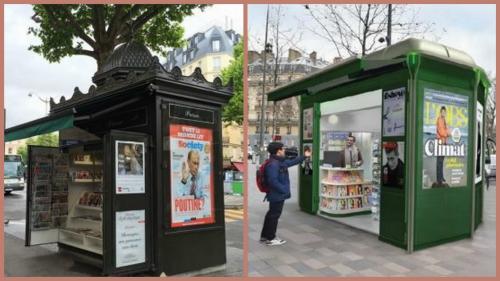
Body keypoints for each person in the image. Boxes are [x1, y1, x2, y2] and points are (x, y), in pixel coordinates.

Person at [260, 142, 311, 246]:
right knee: (274, 216)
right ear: (278, 151)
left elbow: (291, 162)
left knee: (271, 215)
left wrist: (304, 156)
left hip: (276, 194)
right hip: (276, 195)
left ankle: (265, 236)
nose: (284, 151)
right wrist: (283, 190)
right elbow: (272, 181)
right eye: (282, 149)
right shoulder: (273, 164)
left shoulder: (278, 162)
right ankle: (271, 238)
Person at [436, 106, 451, 185]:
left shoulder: (444, 120)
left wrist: (447, 133)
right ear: (440, 112)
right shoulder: (439, 120)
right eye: (442, 112)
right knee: (439, 161)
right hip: (440, 143)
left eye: (444, 112)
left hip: (444, 142)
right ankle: (439, 180)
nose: (443, 113)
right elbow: (441, 132)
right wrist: (448, 134)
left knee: (442, 161)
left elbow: (446, 130)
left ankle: (441, 176)